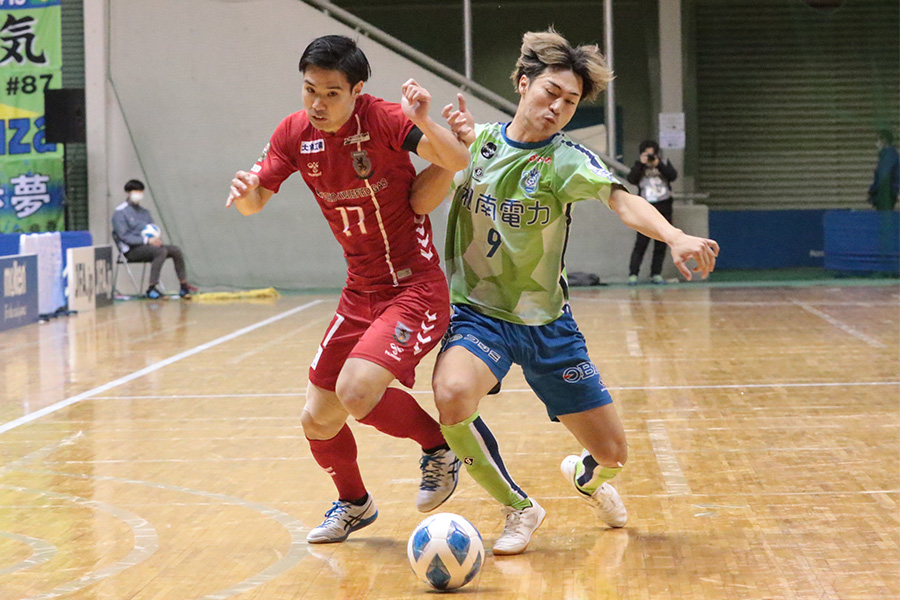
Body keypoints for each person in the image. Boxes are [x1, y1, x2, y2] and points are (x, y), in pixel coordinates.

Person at [411, 28, 719, 555]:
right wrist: (446, 148)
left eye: (570, 101)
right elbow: (419, 197)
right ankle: (518, 508)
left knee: (614, 454)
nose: (557, 107)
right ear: (523, 83)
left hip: (548, 324)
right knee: (453, 393)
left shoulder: (566, 159)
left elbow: (622, 201)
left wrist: (674, 235)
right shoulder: (474, 142)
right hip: (479, 315)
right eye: (550, 92)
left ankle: (586, 478)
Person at [225, 35, 471, 544]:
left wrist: (425, 121)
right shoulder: (295, 134)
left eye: (332, 93)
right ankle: (355, 504)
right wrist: (245, 192)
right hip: (360, 291)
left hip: (414, 287)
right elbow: (253, 204)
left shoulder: (385, 120)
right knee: (317, 419)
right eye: (309, 89)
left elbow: (457, 159)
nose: (317, 103)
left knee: (356, 392)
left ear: (357, 90)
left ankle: (439, 447)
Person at [111, 179, 198, 299]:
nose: (138, 194)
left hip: (149, 246)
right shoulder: (120, 212)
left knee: (175, 250)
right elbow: (124, 236)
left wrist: (156, 238)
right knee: (160, 251)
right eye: (135, 191)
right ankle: (152, 288)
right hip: (131, 250)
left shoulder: (145, 212)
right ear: (128, 192)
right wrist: (146, 241)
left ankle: (184, 286)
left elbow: (153, 228)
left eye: (140, 191)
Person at [626, 140, 678, 284]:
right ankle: (633, 274)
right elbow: (631, 179)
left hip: (663, 206)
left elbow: (673, 176)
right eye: (646, 154)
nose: (649, 157)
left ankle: (656, 273)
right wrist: (641, 164)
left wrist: (658, 164)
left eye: (652, 154)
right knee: (641, 243)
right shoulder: (639, 166)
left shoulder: (663, 163)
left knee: (661, 243)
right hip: (645, 207)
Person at [868, 129, 899, 211]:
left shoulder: (888, 156)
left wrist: (873, 191)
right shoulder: (889, 155)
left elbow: (884, 176)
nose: (876, 144)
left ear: (884, 140)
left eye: (877, 140)